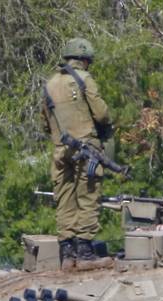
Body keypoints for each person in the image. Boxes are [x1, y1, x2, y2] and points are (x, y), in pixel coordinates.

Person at [41, 37, 113, 262]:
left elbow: (44, 123)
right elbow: (101, 114)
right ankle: (84, 249)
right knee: (88, 195)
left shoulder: (50, 84)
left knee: (64, 197)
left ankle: (66, 249)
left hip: (60, 150)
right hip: (86, 147)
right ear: (85, 60)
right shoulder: (84, 79)